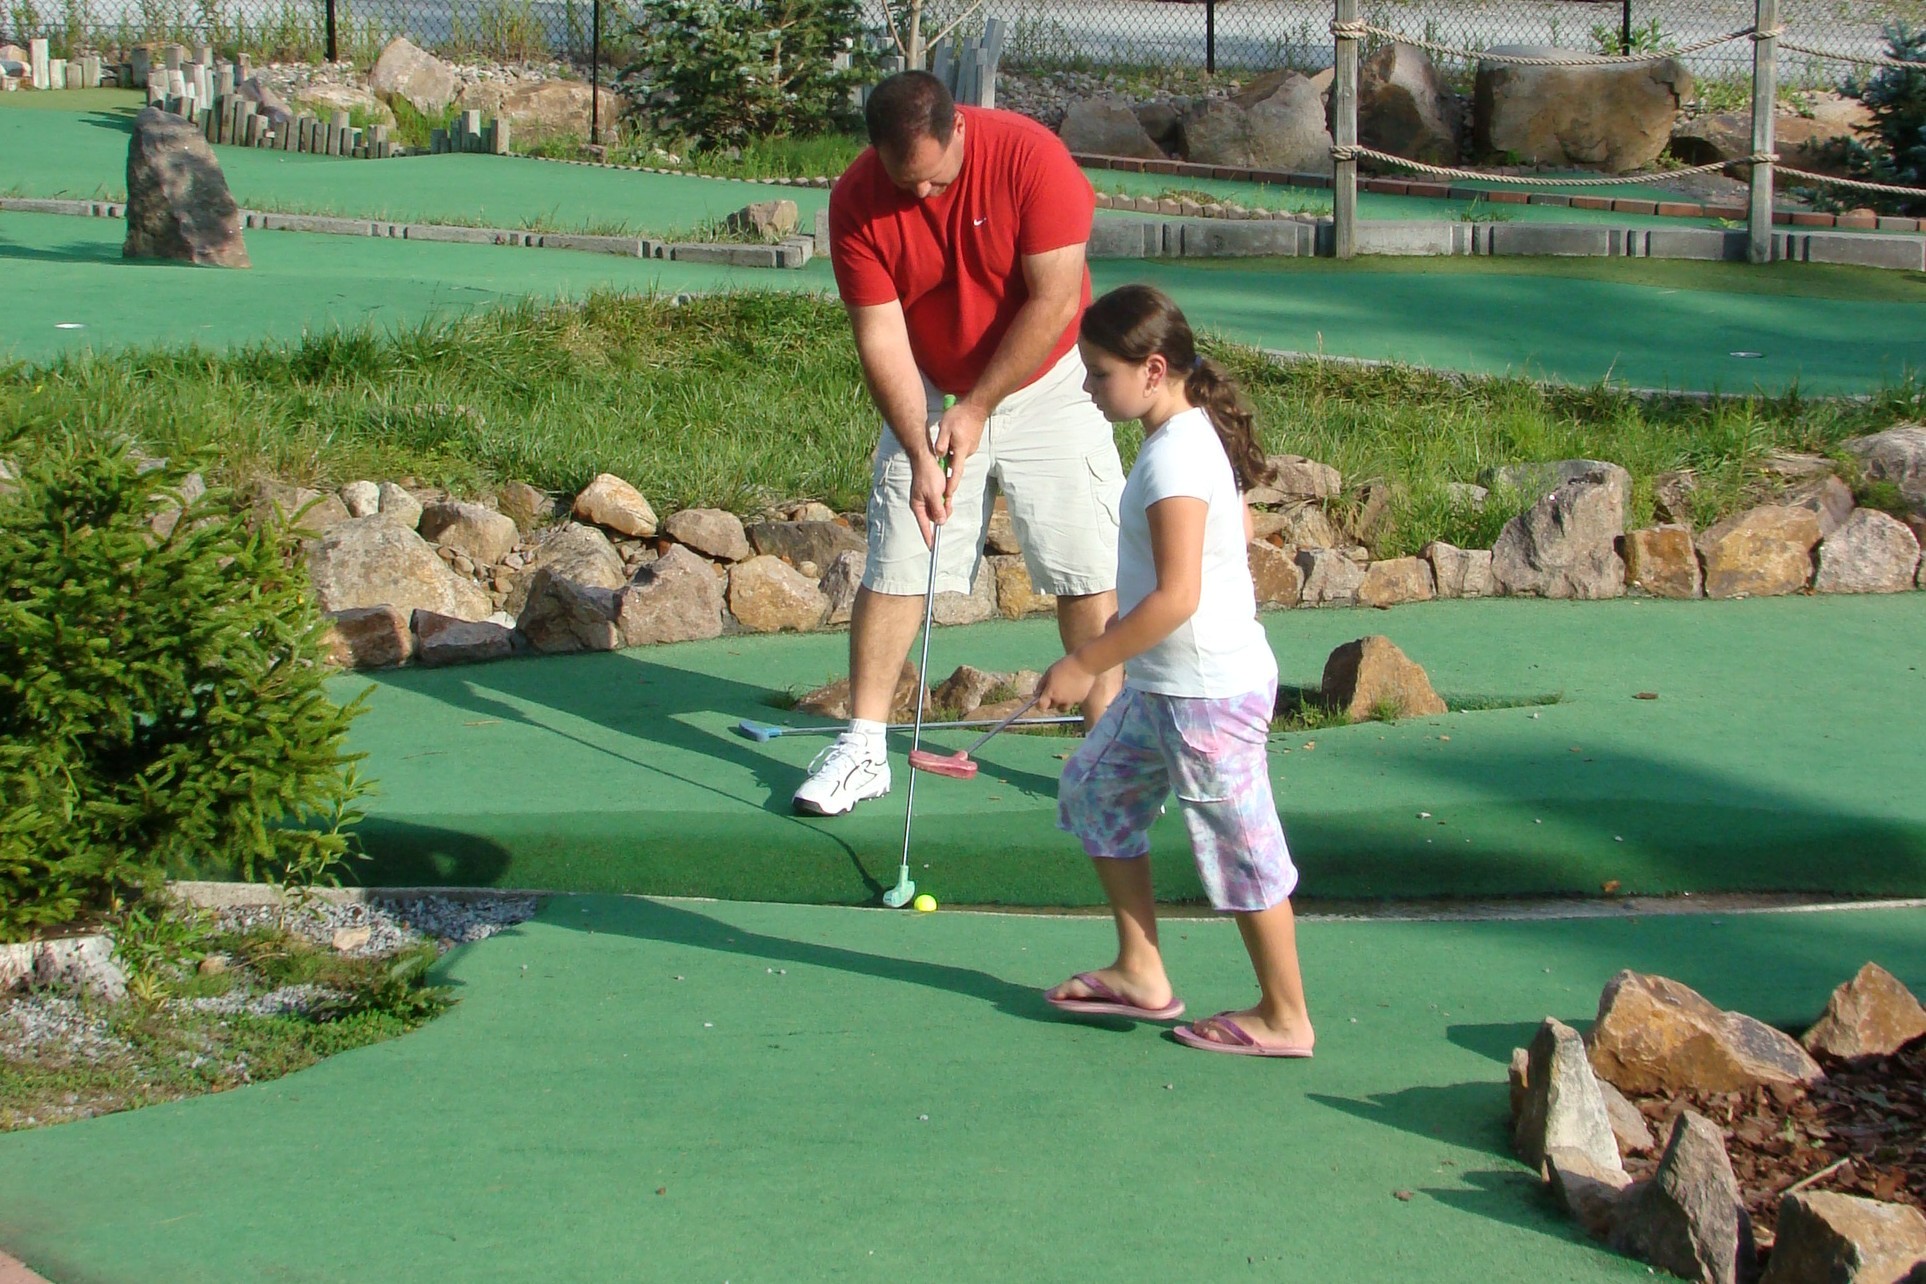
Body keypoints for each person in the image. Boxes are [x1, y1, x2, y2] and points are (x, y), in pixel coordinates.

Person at [793, 70, 1125, 817]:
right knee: (897, 562)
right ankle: (863, 750)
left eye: (935, 183)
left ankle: (1107, 757)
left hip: (1050, 381)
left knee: (1085, 569)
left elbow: (1057, 300)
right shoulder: (855, 198)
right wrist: (919, 443)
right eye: (902, 183)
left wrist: (977, 408)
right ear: (875, 152)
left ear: (960, 132)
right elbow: (880, 333)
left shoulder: (1034, 161)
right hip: (932, 389)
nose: (919, 199)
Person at [1035, 284, 1315, 1058]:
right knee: (1095, 787)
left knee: (1240, 847)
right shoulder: (1181, 439)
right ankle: (1141, 970)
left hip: (1208, 693)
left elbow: (1180, 596)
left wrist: (1085, 663)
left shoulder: (1178, 460)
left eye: (1098, 374)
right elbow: (1217, 546)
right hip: (1165, 685)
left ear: (1153, 369)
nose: (1089, 388)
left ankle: (1286, 1016)